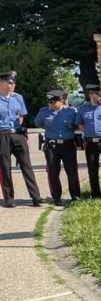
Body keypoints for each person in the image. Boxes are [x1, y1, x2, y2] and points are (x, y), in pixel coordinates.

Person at [0, 71, 42, 207]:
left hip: (17, 135)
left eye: (13, 83)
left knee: (26, 165)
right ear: (1, 83)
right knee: (5, 167)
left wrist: (19, 124)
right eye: (9, 83)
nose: (12, 86)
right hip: (2, 135)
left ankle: (35, 196)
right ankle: (9, 198)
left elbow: (22, 115)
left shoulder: (18, 98)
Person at [34, 89, 81, 206]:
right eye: (49, 102)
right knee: (53, 172)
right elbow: (38, 123)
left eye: (53, 102)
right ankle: (56, 197)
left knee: (72, 171)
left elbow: (77, 125)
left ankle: (75, 196)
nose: (51, 104)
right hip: (51, 146)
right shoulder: (44, 111)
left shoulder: (72, 111)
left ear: (61, 101)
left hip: (68, 144)